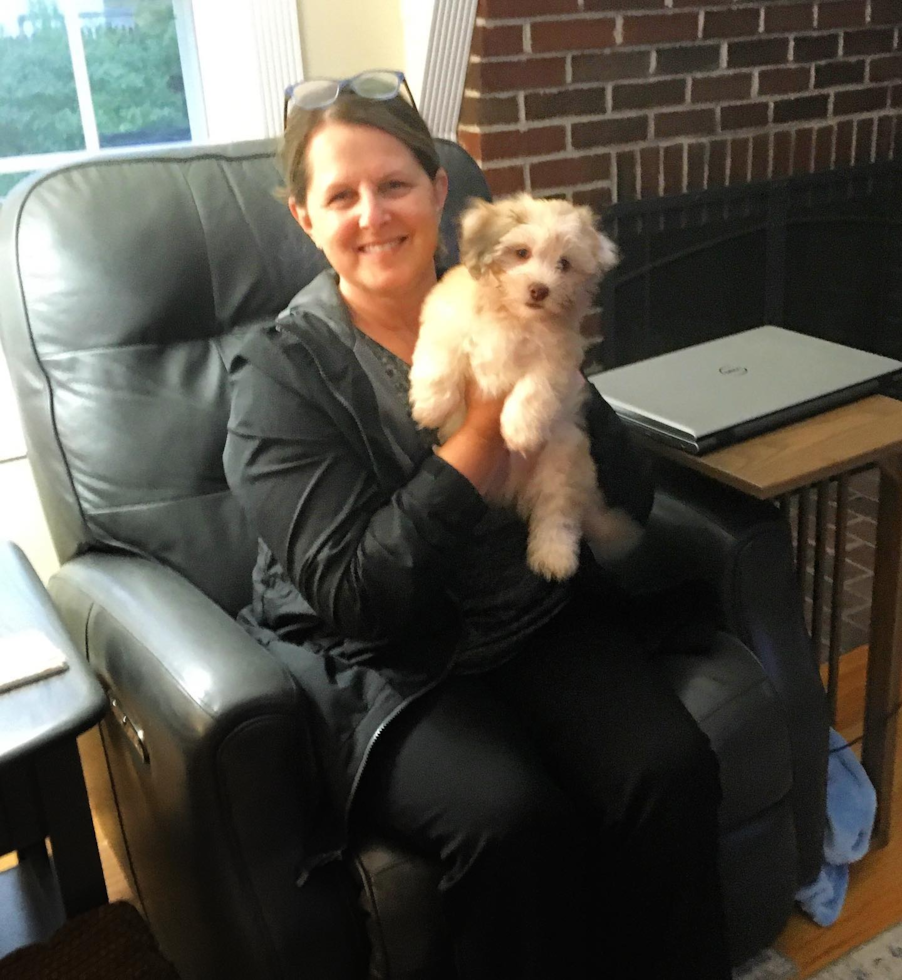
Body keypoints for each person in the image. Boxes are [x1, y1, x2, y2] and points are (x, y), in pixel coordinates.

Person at [223, 70, 732, 980]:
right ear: (306, 219)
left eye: (394, 185)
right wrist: (480, 442)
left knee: (667, 770)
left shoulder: (520, 295)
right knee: (509, 824)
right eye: (341, 195)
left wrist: (567, 381)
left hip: (529, 608)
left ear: (439, 193)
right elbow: (361, 596)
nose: (373, 214)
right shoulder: (278, 375)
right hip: (386, 656)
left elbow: (628, 494)